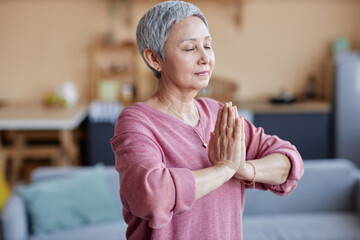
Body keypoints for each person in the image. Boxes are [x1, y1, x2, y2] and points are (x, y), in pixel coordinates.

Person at [110, 1, 304, 239]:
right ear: (154, 58)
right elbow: (153, 197)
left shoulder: (219, 113)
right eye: (190, 48)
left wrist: (243, 168)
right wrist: (224, 169)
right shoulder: (136, 122)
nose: (205, 58)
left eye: (208, 46)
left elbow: (289, 162)